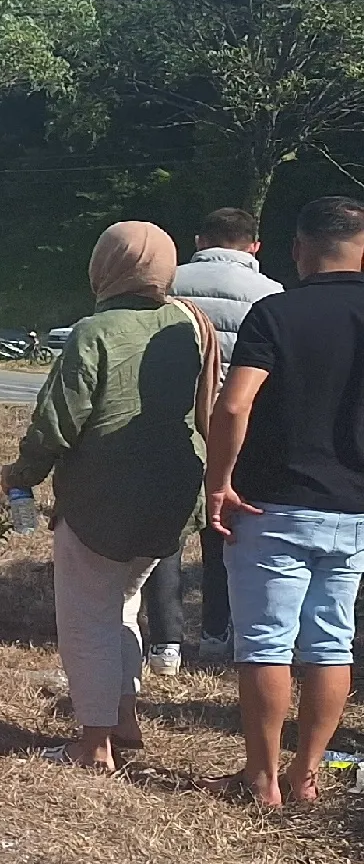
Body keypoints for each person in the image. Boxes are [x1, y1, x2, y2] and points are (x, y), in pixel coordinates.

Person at [0, 222, 217, 771]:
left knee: (87, 615)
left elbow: (57, 421)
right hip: (173, 495)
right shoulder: (190, 323)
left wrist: (21, 473)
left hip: (104, 498)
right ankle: (124, 717)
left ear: (107, 265)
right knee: (124, 603)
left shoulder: (94, 331)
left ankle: (94, 744)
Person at [200, 196, 364, 808]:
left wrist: (219, 480)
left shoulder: (275, 313)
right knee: (331, 641)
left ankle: (262, 776)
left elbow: (235, 404)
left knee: (266, 641)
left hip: (270, 504)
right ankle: (308, 774)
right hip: (352, 507)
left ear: (298, 248)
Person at [141, 207, 284, 670]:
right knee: (224, 531)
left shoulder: (167, 285)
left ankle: (166, 642)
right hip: (242, 430)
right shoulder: (272, 295)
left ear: (199, 239)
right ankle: (219, 632)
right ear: (255, 246)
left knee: (166, 534)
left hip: (171, 424)